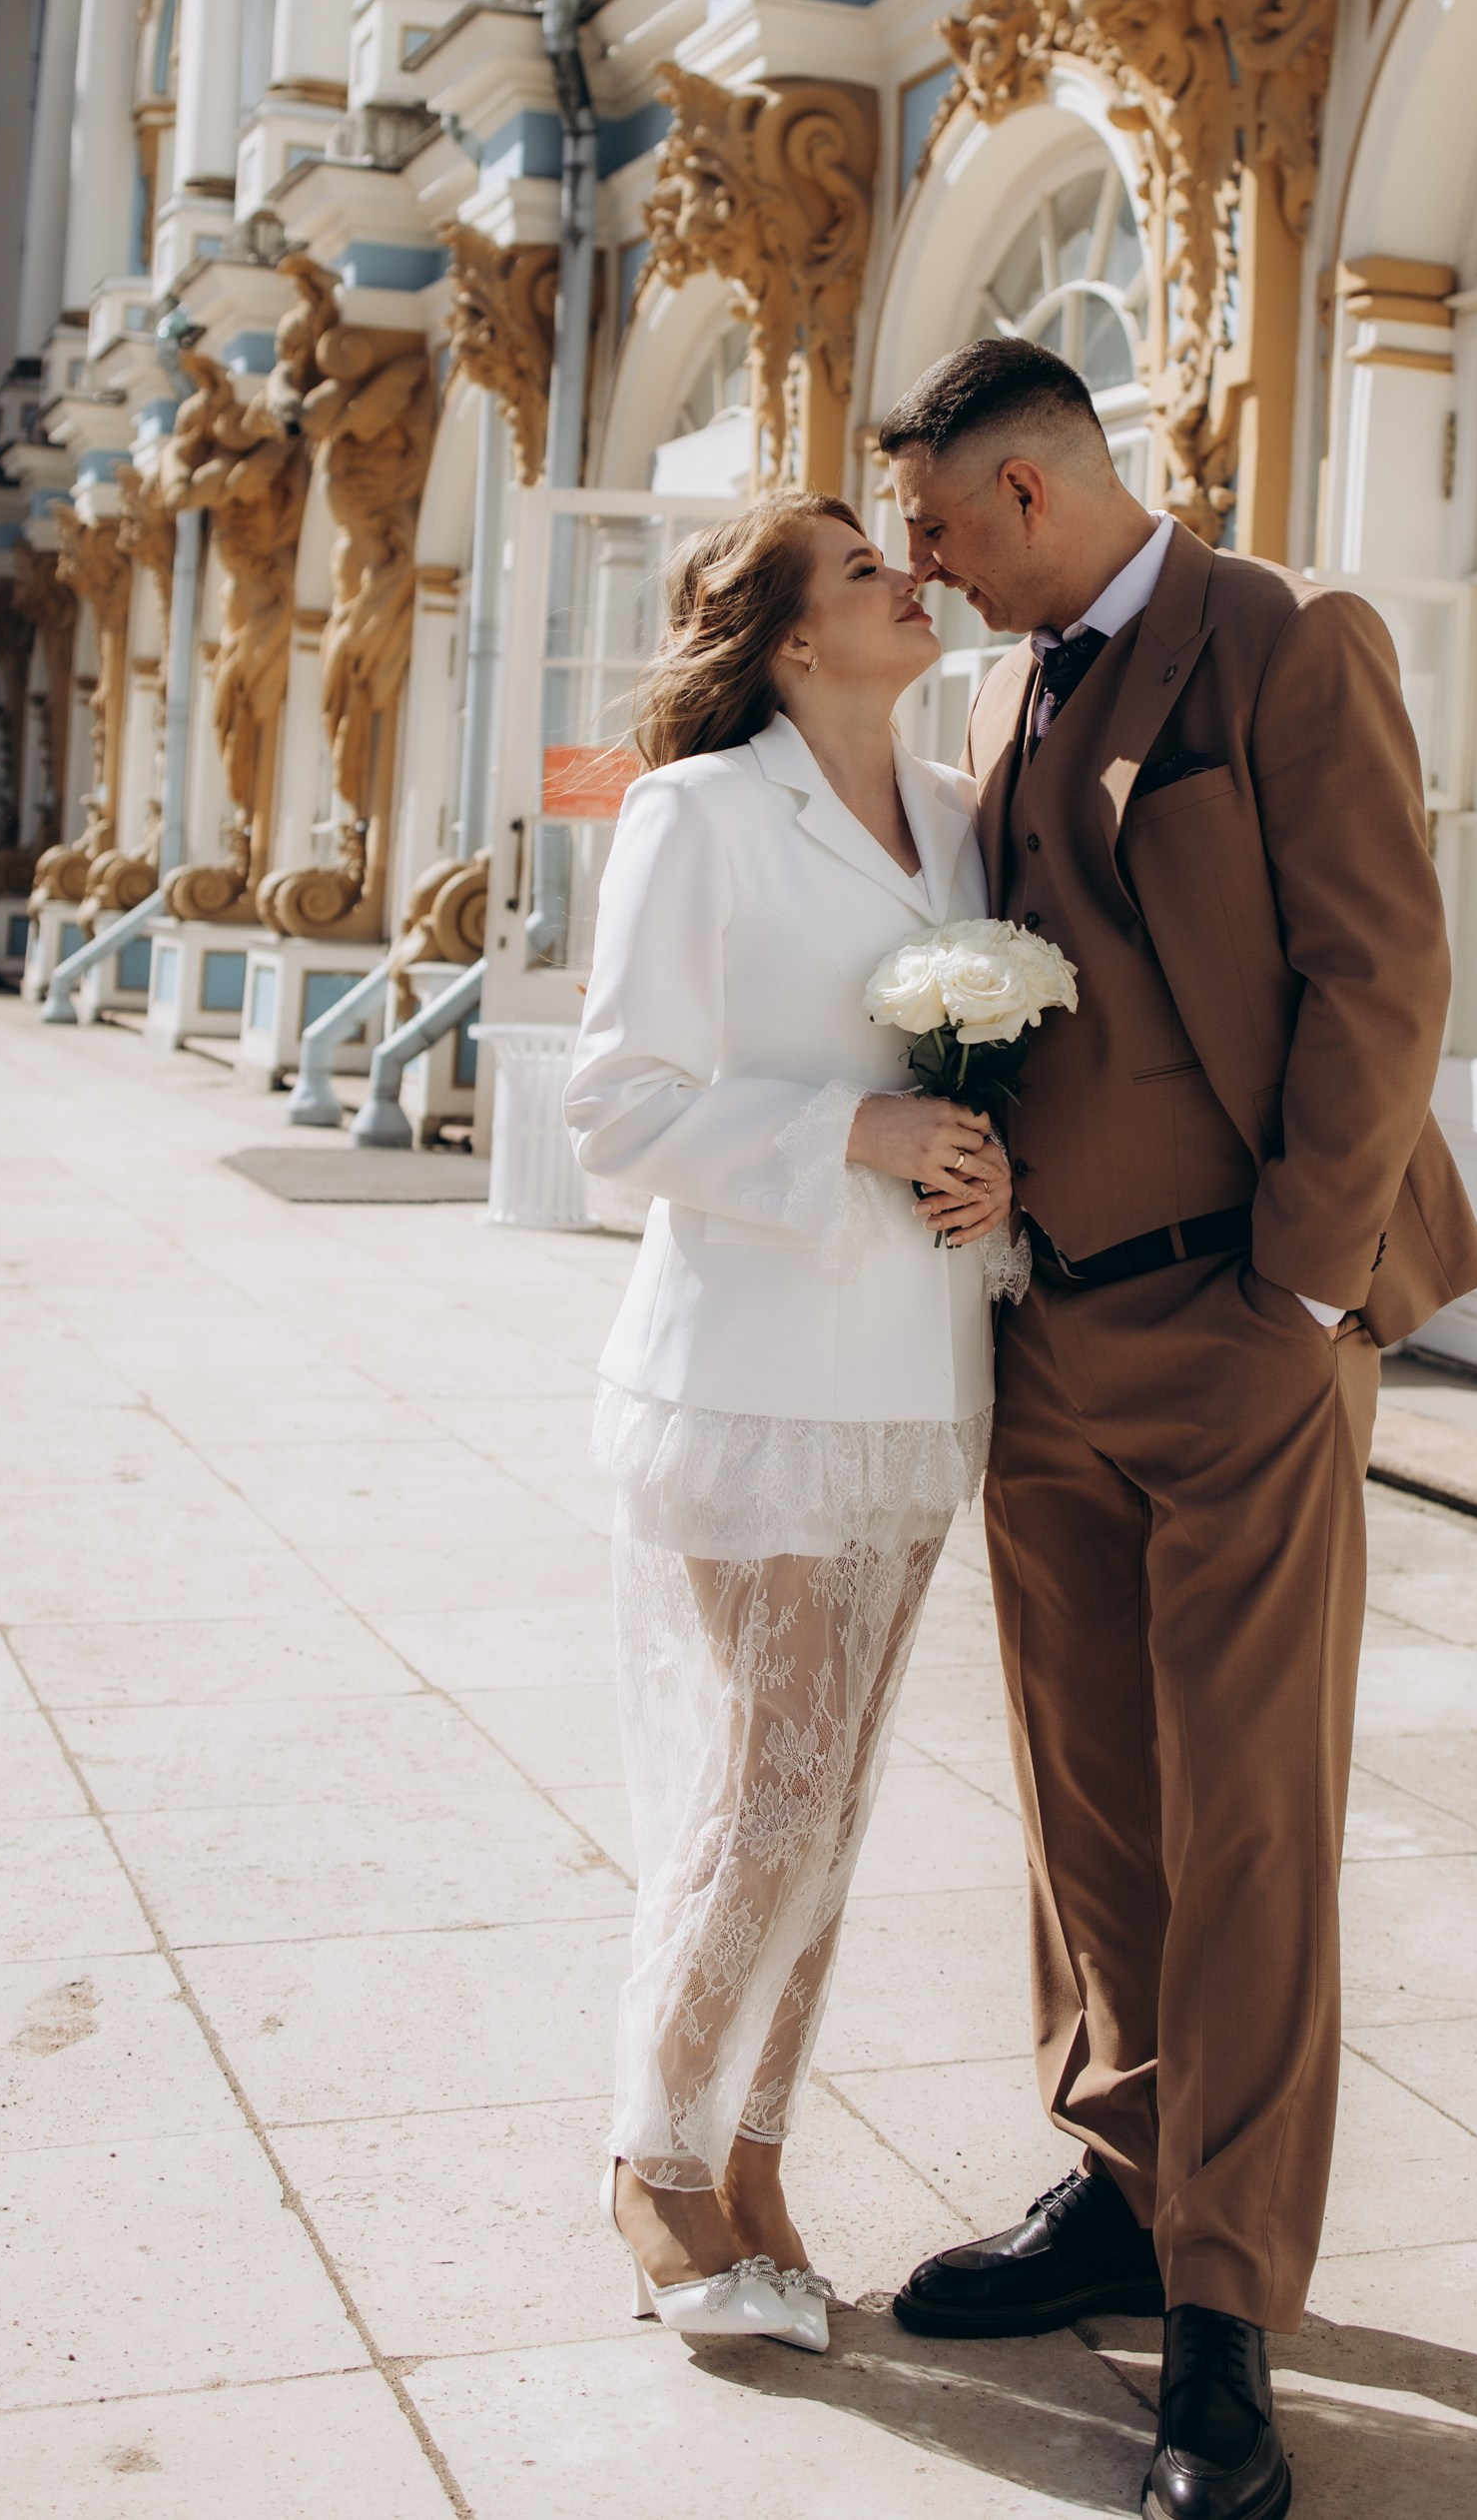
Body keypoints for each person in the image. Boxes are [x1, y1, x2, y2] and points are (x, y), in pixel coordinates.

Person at [878, 339, 1477, 2520]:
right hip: (1047, 1332)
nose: (919, 570)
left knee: (1245, 1823)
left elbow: (1380, 977)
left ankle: (1224, 2303)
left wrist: (1298, 1297)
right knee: (1089, 1806)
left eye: (936, 527)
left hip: (1244, 1322)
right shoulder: (995, 695)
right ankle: (1123, 2184)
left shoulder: (1285, 638)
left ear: (1030, 493)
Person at [564, 491, 1016, 2353]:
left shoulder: (963, 818)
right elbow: (614, 1104)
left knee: (832, 1807)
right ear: (789, 639)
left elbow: (971, 1070)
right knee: (767, 1797)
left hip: (919, 1369)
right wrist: (852, 1130)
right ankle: (651, 2161)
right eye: (861, 567)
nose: (908, 577)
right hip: (748, 1374)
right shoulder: (697, 813)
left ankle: (753, 2161)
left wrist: (986, 1171)